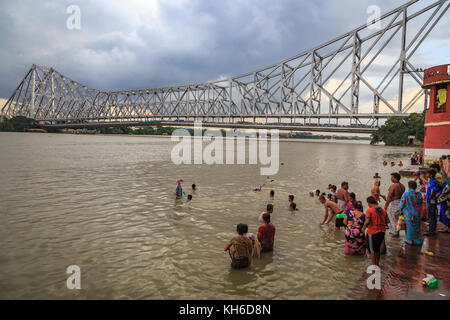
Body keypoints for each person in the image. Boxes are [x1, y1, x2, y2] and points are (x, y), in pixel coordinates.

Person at [363, 196, 390, 266]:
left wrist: (363, 228)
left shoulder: (369, 210)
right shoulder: (383, 210)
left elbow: (367, 221)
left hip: (372, 232)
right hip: (381, 232)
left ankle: (374, 265)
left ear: (369, 203)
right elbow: (388, 221)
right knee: (377, 249)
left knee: (371, 250)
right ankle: (377, 263)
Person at [399, 180, 423, 245]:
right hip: (417, 213)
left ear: (409, 186)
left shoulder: (406, 194)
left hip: (408, 214)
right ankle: (417, 241)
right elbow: (420, 203)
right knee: (417, 227)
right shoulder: (419, 194)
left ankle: (410, 240)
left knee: (409, 227)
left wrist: (400, 210)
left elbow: (402, 204)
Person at [384, 173, 405, 237]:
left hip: (394, 204)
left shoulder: (393, 186)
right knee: (396, 218)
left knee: (392, 218)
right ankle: (396, 231)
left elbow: (389, 196)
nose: (391, 178)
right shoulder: (402, 186)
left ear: (395, 178)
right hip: (400, 203)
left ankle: (395, 232)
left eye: (392, 177)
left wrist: (385, 206)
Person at [425, 169, 439, 236]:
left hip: (431, 201)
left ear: (431, 175)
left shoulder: (433, 181)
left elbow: (435, 189)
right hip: (430, 201)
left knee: (431, 216)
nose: (426, 175)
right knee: (432, 215)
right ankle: (432, 229)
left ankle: (431, 231)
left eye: (427, 174)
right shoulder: (431, 181)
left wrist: (431, 196)